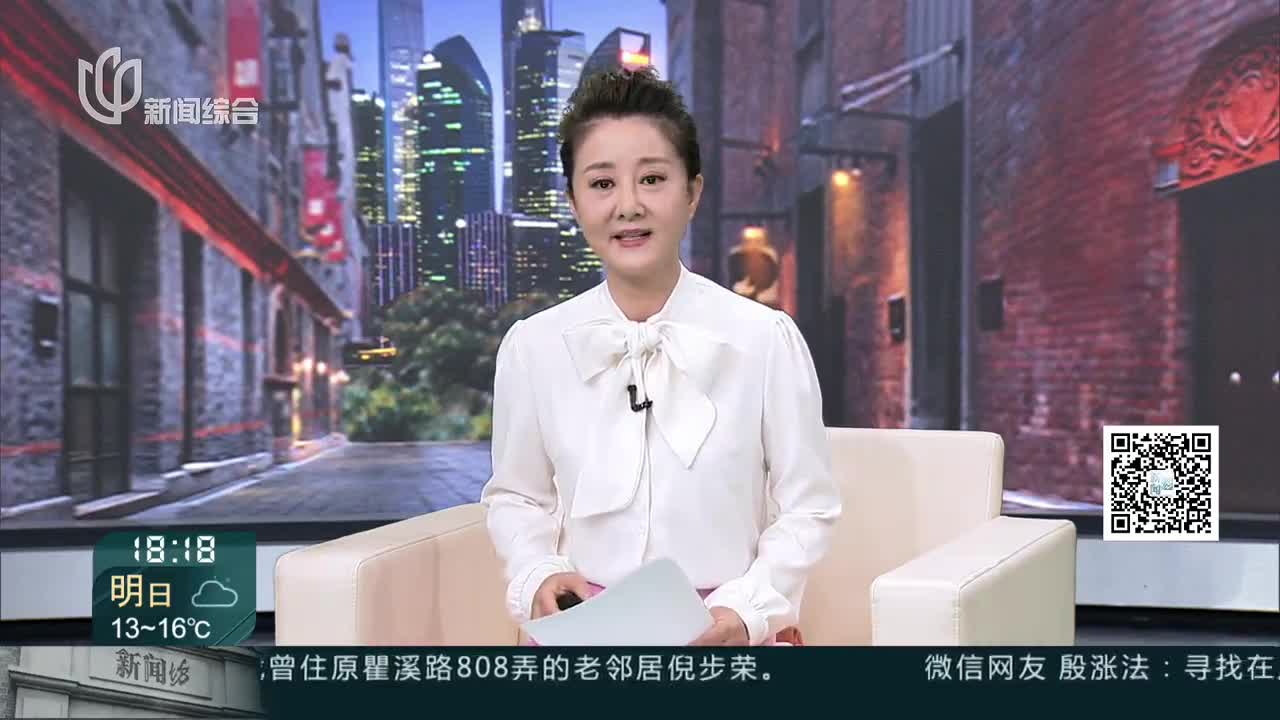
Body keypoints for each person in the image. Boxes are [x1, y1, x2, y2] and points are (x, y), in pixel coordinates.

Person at [479, 66, 841, 646]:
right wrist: (538, 571)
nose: (628, 205)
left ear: (692, 192)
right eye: (602, 184)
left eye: (652, 179)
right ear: (573, 201)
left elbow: (809, 506)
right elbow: (517, 496)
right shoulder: (534, 346)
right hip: (586, 636)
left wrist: (745, 609)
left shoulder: (764, 338)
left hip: (725, 629)